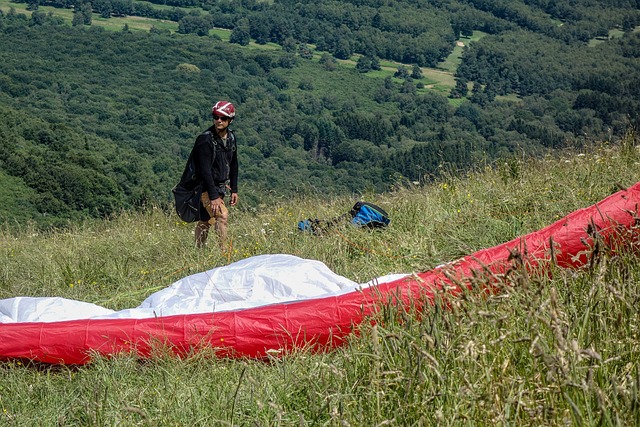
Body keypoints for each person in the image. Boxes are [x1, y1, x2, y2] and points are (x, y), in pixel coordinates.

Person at [192, 101, 239, 249]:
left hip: (219, 186)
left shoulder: (231, 138)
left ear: (230, 120)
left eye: (223, 118)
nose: (218, 120)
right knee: (222, 216)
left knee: (206, 219)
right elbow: (204, 169)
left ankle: (198, 251)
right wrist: (213, 196)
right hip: (205, 187)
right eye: (216, 117)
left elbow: (234, 163)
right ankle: (224, 252)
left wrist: (234, 188)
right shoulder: (206, 139)